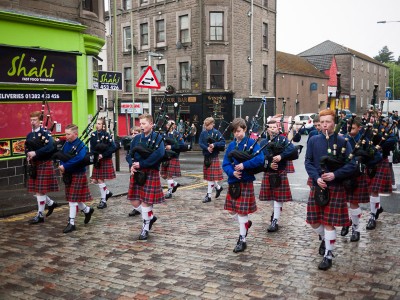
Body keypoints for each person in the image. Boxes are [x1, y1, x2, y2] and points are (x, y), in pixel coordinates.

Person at [305, 109, 356, 270]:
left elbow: (352, 165)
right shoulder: (313, 140)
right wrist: (316, 177)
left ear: (334, 123)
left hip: (335, 186)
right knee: (313, 222)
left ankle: (328, 254)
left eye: (328, 121)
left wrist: (335, 175)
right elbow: (308, 162)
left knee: (329, 223)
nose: (325, 125)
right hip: (318, 186)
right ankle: (324, 238)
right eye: (322, 122)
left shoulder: (343, 142)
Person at [222, 118, 264, 253]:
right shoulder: (231, 146)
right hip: (234, 181)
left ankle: (242, 239)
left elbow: (260, 159)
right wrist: (232, 172)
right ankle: (245, 224)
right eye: (235, 132)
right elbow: (225, 163)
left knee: (242, 212)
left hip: (245, 181)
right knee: (232, 211)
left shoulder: (252, 142)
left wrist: (244, 165)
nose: (237, 134)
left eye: (239, 131)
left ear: (245, 130)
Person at [127, 113, 165, 240]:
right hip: (137, 173)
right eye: (140, 124)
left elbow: (159, 155)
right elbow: (129, 153)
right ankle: (150, 217)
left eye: (144, 124)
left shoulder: (157, 138)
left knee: (145, 203)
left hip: (150, 172)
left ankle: (145, 228)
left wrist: (142, 163)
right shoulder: (137, 139)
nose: (141, 126)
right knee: (134, 200)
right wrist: (131, 164)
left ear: (151, 124)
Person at [340, 117, 378, 242]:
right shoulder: (342, 139)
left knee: (353, 204)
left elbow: (377, 157)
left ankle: (355, 229)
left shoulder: (365, 141)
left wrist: (366, 157)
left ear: (359, 128)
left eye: (353, 128)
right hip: (343, 173)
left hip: (357, 175)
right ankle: (347, 222)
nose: (350, 130)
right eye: (348, 127)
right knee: (342, 202)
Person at [259, 120, 295, 232]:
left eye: (274, 127)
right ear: (267, 129)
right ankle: (276, 211)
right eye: (270, 127)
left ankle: (275, 220)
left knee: (278, 197)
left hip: (280, 172)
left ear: (278, 128)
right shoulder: (263, 142)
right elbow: (261, 157)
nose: (272, 129)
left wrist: (281, 156)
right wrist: (269, 164)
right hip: (269, 172)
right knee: (272, 197)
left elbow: (292, 149)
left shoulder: (283, 140)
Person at [58, 124, 94, 233]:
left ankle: (71, 223)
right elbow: (62, 155)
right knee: (73, 198)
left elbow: (79, 159)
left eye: (68, 134)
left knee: (72, 199)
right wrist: (61, 166)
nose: (66, 136)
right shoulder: (66, 144)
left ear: (75, 134)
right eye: (66, 133)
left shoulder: (81, 145)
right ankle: (87, 210)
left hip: (78, 173)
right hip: (68, 174)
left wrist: (65, 166)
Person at [25, 111, 59, 224]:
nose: (32, 122)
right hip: (35, 165)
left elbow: (51, 146)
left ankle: (40, 215)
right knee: (37, 191)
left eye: (34, 120)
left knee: (40, 191)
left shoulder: (45, 133)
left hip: (44, 163)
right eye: (31, 120)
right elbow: (27, 147)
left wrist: (36, 153)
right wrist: (28, 155)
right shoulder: (29, 135)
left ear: (40, 121)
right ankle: (50, 203)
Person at [89, 117, 116, 209]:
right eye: (97, 123)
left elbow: (113, 148)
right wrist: (95, 155)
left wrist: (103, 155)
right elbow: (92, 148)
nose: (97, 125)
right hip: (97, 160)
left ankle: (103, 201)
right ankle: (107, 193)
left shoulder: (107, 135)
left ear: (103, 125)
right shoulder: (93, 135)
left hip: (105, 159)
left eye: (99, 124)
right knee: (95, 180)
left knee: (100, 180)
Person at [199, 117, 225, 203]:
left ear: (212, 124)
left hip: (214, 157)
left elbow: (223, 142)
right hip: (207, 156)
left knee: (210, 178)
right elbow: (200, 143)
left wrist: (214, 144)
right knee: (211, 177)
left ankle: (209, 196)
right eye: (205, 125)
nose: (206, 127)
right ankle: (218, 188)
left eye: (208, 125)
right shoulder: (203, 133)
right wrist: (207, 148)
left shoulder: (216, 132)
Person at [160, 120, 183, 199]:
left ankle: (169, 192)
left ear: (175, 126)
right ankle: (175, 184)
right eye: (169, 124)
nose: (170, 126)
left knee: (169, 176)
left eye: (172, 124)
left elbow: (181, 145)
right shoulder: (163, 134)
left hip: (173, 156)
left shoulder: (178, 134)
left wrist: (171, 147)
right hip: (165, 156)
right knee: (163, 175)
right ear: (166, 126)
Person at [126, 126, 141, 217]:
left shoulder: (142, 142)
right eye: (132, 133)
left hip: (142, 169)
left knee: (140, 190)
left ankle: (143, 211)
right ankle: (138, 209)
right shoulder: (132, 142)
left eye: (135, 133)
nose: (133, 135)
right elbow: (128, 155)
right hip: (133, 168)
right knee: (134, 192)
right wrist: (132, 163)